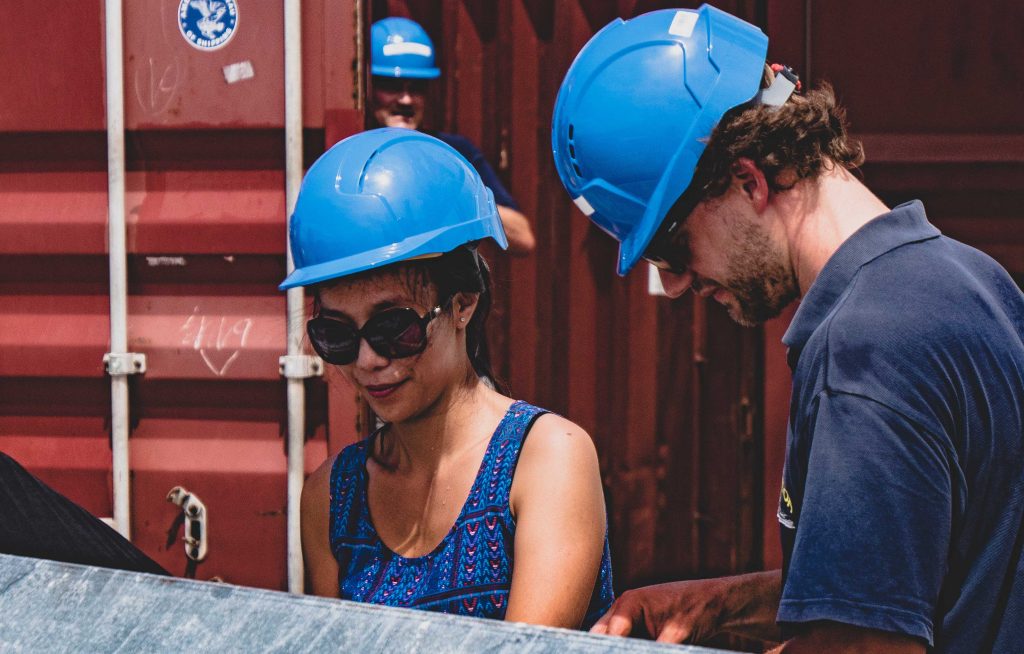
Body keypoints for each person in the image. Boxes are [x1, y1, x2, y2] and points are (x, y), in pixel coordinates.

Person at [551, 5, 1024, 653]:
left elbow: (863, 646)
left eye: (671, 245)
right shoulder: (968, 280)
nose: (679, 282)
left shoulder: (864, 351)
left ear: (747, 180)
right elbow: (906, 583)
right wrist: (720, 604)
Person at [284, 128, 613, 628]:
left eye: (394, 328)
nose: (368, 360)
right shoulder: (331, 496)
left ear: (463, 305)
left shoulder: (546, 459)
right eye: (337, 336)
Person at [369, 16, 536, 255]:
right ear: (368, 86)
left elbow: (524, 239)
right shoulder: (351, 156)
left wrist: (459, 197)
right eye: (391, 85)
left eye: (417, 87)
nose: (406, 99)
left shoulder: (453, 154)